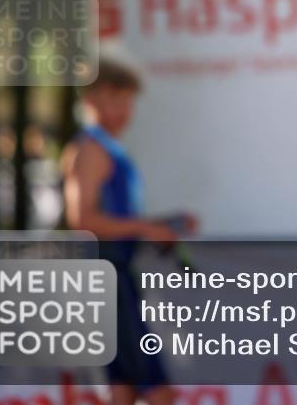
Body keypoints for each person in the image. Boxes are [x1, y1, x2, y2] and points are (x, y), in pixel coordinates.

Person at [62, 57, 196, 405]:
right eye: (113, 100)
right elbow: (83, 220)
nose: (123, 110)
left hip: (117, 276)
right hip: (107, 280)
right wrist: (145, 228)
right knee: (158, 390)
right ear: (89, 101)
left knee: (122, 388)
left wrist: (162, 224)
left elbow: (117, 218)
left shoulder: (110, 148)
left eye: (127, 101)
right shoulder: (90, 150)